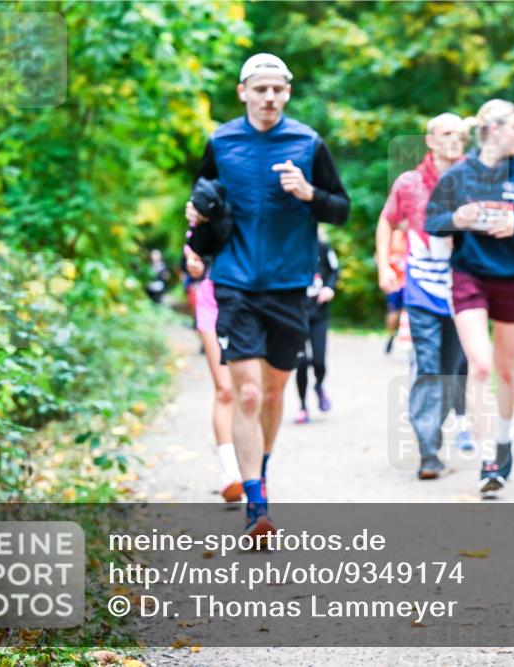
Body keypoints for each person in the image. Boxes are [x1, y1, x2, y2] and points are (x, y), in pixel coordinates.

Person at [186, 53, 350, 538]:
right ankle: (256, 503)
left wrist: (309, 195)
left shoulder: (308, 142)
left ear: (288, 93)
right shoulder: (221, 141)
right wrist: (197, 224)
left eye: (278, 89)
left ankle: (262, 469)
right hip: (235, 283)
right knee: (249, 392)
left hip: (289, 285)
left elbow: (341, 210)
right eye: (260, 89)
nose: (269, 98)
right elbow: (201, 202)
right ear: (243, 92)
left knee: (276, 392)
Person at [425, 99, 514, 494]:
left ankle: (503, 441)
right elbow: (431, 221)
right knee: (481, 365)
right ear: (492, 130)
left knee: (504, 367)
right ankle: (487, 455)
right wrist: (457, 219)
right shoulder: (459, 176)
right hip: (469, 276)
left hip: (513, 279)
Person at [376, 113, 475, 480]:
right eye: (445, 134)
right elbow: (387, 221)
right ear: (430, 141)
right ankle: (428, 453)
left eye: (459, 135)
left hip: (464, 289)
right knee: (428, 367)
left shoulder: (474, 177)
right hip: (421, 291)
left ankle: (435, 431)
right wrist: (386, 266)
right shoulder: (409, 182)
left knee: (453, 372)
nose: (454, 140)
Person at [183, 247, 242, 503]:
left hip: (254, 299)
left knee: (251, 392)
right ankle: (231, 473)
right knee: (226, 389)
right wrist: (193, 263)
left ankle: (252, 469)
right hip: (213, 300)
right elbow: (194, 253)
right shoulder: (203, 210)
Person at [294, 234, 339, 424]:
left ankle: (319, 386)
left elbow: (335, 269)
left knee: (319, 360)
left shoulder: (323, 246)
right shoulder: (289, 247)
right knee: (301, 362)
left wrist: (329, 288)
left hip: (319, 314)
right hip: (297, 314)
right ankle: (303, 406)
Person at [382, 227, 407, 355]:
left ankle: (410, 342)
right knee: (393, 315)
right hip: (395, 285)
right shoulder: (390, 238)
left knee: (410, 314)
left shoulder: (411, 237)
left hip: (409, 285)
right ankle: (391, 335)